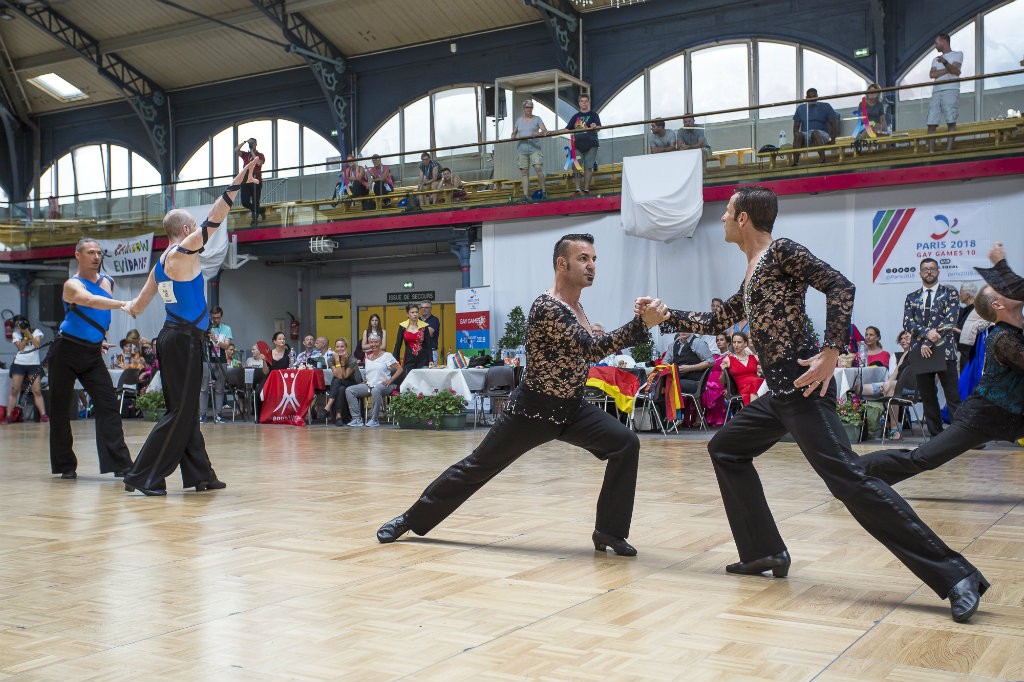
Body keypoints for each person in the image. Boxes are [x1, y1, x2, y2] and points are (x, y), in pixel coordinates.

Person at [646, 185, 987, 623]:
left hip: (805, 390)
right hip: (781, 396)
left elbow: (840, 287)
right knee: (726, 448)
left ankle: (957, 576)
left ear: (744, 218)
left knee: (852, 484)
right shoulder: (752, 268)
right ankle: (764, 551)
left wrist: (831, 351)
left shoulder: (782, 250)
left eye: (727, 212)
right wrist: (665, 314)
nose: (723, 219)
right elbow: (718, 319)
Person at [375, 232, 668, 557]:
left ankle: (609, 532)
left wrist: (642, 320)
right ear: (562, 263)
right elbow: (592, 348)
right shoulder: (547, 307)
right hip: (533, 412)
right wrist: (642, 325)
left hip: (571, 410)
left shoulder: (576, 306)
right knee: (476, 467)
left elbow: (588, 347)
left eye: (594, 260)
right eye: (584, 258)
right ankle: (410, 519)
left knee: (626, 444)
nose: (591, 266)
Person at [119, 158, 257, 496]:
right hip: (183, 340)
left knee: (185, 410)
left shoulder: (161, 264)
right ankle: (142, 475)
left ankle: (200, 474)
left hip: (172, 338)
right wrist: (240, 177)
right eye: (193, 226)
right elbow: (217, 215)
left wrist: (113, 303)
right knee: (180, 411)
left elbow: (136, 307)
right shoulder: (184, 250)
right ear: (185, 231)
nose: (199, 231)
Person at [857, 284, 1022, 484]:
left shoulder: (1014, 329)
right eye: (1004, 290)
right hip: (983, 416)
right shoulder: (1003, 338)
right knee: (921, 458)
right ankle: (855, 470)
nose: (1012, 289)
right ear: (997, 304)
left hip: (1012, 413)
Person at [46, 237, 134, 479]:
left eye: (98, 253)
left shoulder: (108, 282)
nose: (96, 257)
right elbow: (89, 301)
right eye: (90, 253)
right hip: (66, 350)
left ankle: (120, 464)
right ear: (78, 255)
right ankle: (65, 466)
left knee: (108, 405)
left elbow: (100, 314)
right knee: (61, 410)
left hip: (92, 352)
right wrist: (124, 304)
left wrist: (99, 338)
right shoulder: (71, 285)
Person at [903, 257, 961, 436]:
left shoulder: (950, 293)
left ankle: (962, 435)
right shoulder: (911, 297)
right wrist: (926, 334)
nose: (929, 271)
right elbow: (908, 324)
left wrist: (928, 341)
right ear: (920, 273)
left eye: (932, 268)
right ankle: (937, 436)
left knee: (952, 396)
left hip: (944, 350)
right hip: (920, 352)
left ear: (938, 272)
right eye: (925, 269)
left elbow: (950, 321)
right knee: (928, 397)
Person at [346, 333, 401, 427]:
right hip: (369, 385)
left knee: (376, 390)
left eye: (376, 342)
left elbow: (400, 369)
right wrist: (367, 380)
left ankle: (374, 419)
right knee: (350, 390)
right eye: (371, 342)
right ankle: (357, 419)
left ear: (380, 343)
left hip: (385, 385)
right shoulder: (368, 357)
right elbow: (371, 373)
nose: (374, 344)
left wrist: (390, 380)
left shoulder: (387, 356)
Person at [4, 315, 48, 423]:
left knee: (36, 391)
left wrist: (27, 332)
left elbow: (37, 344)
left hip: (33, 364)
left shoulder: (36, 331)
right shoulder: (16, 334)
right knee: (15, 389)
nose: (19, 326)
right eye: (17, 324)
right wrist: (25, 336)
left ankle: (43, 415)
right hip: (19, 363)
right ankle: (9, 415)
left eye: (21, 323)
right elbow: (20, 347)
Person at [927, 32, 963, 153]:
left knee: (951, 120)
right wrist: (947, 69)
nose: (935, 46)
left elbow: (956, 71)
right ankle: (931, 152)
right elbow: (932, 75)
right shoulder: (935, 59)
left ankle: (949, 150)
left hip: (951, 89)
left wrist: (945, 64)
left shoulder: (957, 54)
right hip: (936, 91)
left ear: (943, 42)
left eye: (936, 43)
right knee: (931, 121)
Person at [511, 99, 549, 201]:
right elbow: (513, 133)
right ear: (524, 108)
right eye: (527, 107)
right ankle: (525, 195)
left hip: (534, 148)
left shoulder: (537, 119)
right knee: (524, 172)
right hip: (522, 149)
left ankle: (544, 191)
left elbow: (544, 131)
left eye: (531, 107)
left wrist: (538, 133)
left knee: (538, 168)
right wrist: (513, 136)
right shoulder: (519, 120)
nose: (529, 109)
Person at [563, 94, 601, 195]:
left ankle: (586, 189)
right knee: (576, 167)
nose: (584, 103)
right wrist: (552, 132)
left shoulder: (594, 115)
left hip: (592, 145)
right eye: (582, 101)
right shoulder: (575, 116)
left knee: (588, 167)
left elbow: (598, 127)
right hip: (577, 146)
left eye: (586, 101)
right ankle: (578, 189)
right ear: (579, 103)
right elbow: (567, 129)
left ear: (588, 102)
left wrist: (594, 126)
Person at [791, 88, 838, 166]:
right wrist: (797, 139)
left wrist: (833, 139)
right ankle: (795, 162)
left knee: (815, 133)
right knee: (798, 135)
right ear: (806, 98)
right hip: (805, 134)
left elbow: (834, 123)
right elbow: (796, 127)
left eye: (814, 97)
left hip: (822, 134)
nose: (812, 99)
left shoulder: (825, 106)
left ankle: (823, 160)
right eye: (810, 98)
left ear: (817, 96)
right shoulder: (801, 108)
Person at [200, 305, 231, 424]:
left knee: (219, 389)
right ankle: (202, 415)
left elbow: (227, 345)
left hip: (221, 360)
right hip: (206, 360)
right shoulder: (206, 328)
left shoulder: (226, 329)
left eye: (218, 317)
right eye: (213, 318)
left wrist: (216, 340)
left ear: (221, 317)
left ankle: (219, 414)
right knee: (204, 388)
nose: (215, 320)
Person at [253, 331, 291, 417]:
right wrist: (264, 360)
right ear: (274, 341)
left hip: (284, 379)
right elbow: (265, 372)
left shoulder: (289, 353)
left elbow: (292, 367)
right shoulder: (268, 353)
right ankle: (260, 416)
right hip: (270, 378)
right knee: (259, 392)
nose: (282, 341)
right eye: (280, 339)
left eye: (284, 339)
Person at [719, 331, 763, 405]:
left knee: (759, 382)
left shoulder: (755, 358)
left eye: (739, 342)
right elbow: (722, 382)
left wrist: (761, 370)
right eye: (734, 342)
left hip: (758, 387)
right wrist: (723, 371)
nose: (736, 345)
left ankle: (753, 410)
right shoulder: (728, 359)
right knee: (757, 382)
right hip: (743, 389)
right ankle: (754, 410)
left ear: (745, 343)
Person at [324, 337, 359, 425]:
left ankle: (328, 406)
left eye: (342, 346)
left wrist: (342, 363)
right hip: (339, 384)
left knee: (337, 382)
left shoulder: (352, 360)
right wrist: (337, 360)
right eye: (337, 347)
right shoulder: (331, 359)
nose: (340, 349)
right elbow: (338, 375)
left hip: (350, 383)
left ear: (346, 347)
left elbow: (344, 376)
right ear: (335, 348)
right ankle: (338, 415)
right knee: (341, 388)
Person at [392, 303, 432, 380]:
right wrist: (395, 361)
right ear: (408, 314)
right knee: (409, 382)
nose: (415, 314)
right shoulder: (402, 326)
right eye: (412, 312)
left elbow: (429, 345)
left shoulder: (424, 326)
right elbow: (398, 345)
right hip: (408, 360)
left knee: (422, 382)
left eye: (416, 312)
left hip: (423, 360)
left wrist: (430, 360)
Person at [700, 333, 731, 427]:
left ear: (728, 342)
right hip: (710, 383)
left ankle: (718, 418)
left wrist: (728, 387)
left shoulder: (730, 356)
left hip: (722, 384)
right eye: (717, 340)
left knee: (709, 391)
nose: (719, 342)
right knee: (701, 389)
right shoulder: (715, 357)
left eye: (721, 340)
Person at [235, 137, 265, 226]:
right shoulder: (245, 155)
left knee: (256, 202)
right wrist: (245, 142)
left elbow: (259, 163)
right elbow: (236, 150)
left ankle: (254, 220)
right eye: (250, 143)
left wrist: (252, 151)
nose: (251, 145)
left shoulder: (260, 154)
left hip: (256, 181)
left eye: (252, 143)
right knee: (245, 202)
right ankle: (261, 211)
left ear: (256, 144)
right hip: (245, 181)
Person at [956, 281, 984, 373]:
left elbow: (978, 330)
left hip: (971, 354)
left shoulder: (977, 311)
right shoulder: (965, 310)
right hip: (963, 354)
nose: (959, 295)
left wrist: (954, 329)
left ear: (967, 294)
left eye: (960, 292)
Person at [419, 299, 440, 364]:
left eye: (426, 307)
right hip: (418, 352)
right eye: (422, 307)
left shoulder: (434, 320)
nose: (423, 309)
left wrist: (415, 330)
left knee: (431, 373)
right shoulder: (417, 320)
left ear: (431, 309)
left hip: (431, 352)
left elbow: (428, 333)